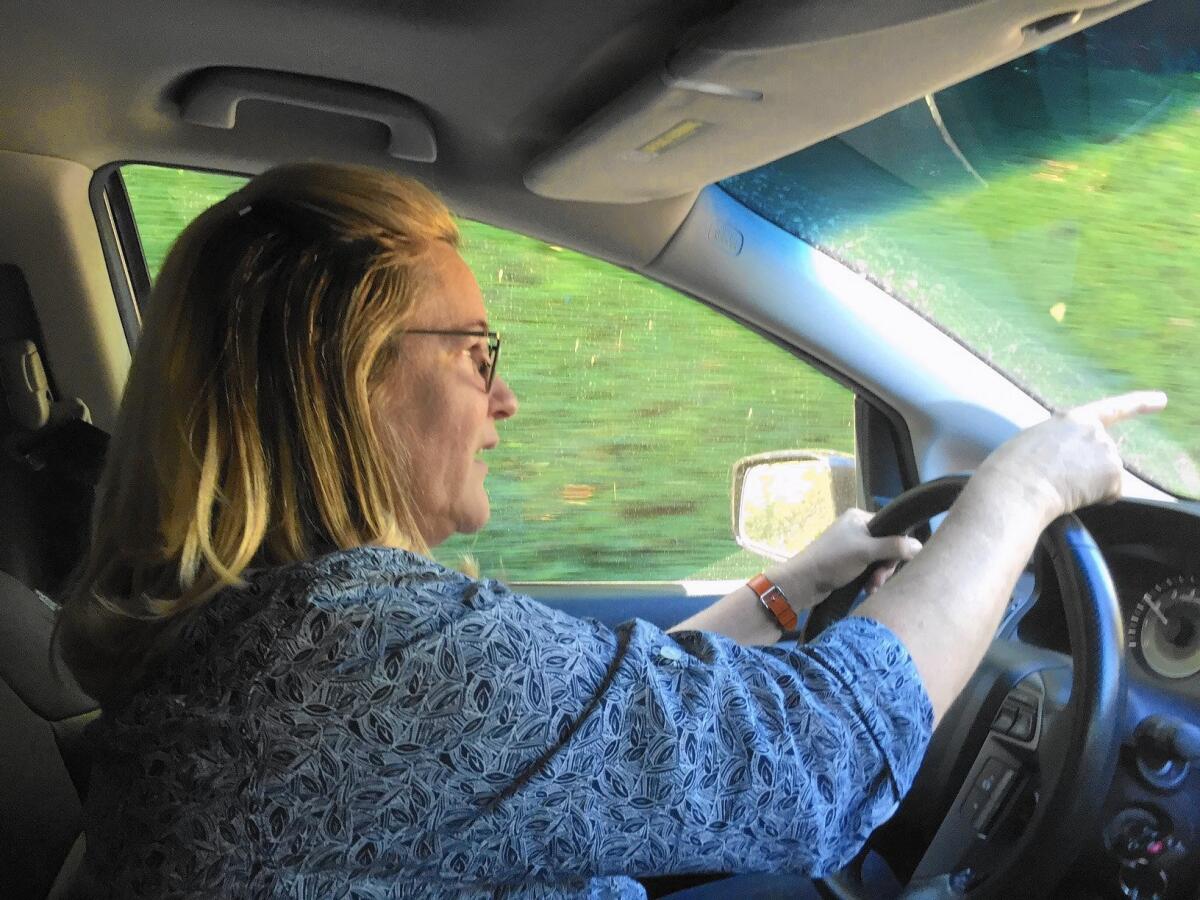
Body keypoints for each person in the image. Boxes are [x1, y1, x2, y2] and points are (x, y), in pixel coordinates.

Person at [57, 162, 1165, 899]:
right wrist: (1021, 492)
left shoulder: (260, 628)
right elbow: (822, 760)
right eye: (478, 354)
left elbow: (608, 723)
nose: (507, 402)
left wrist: (799, 584)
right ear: (347, 381)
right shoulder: (371, 656)